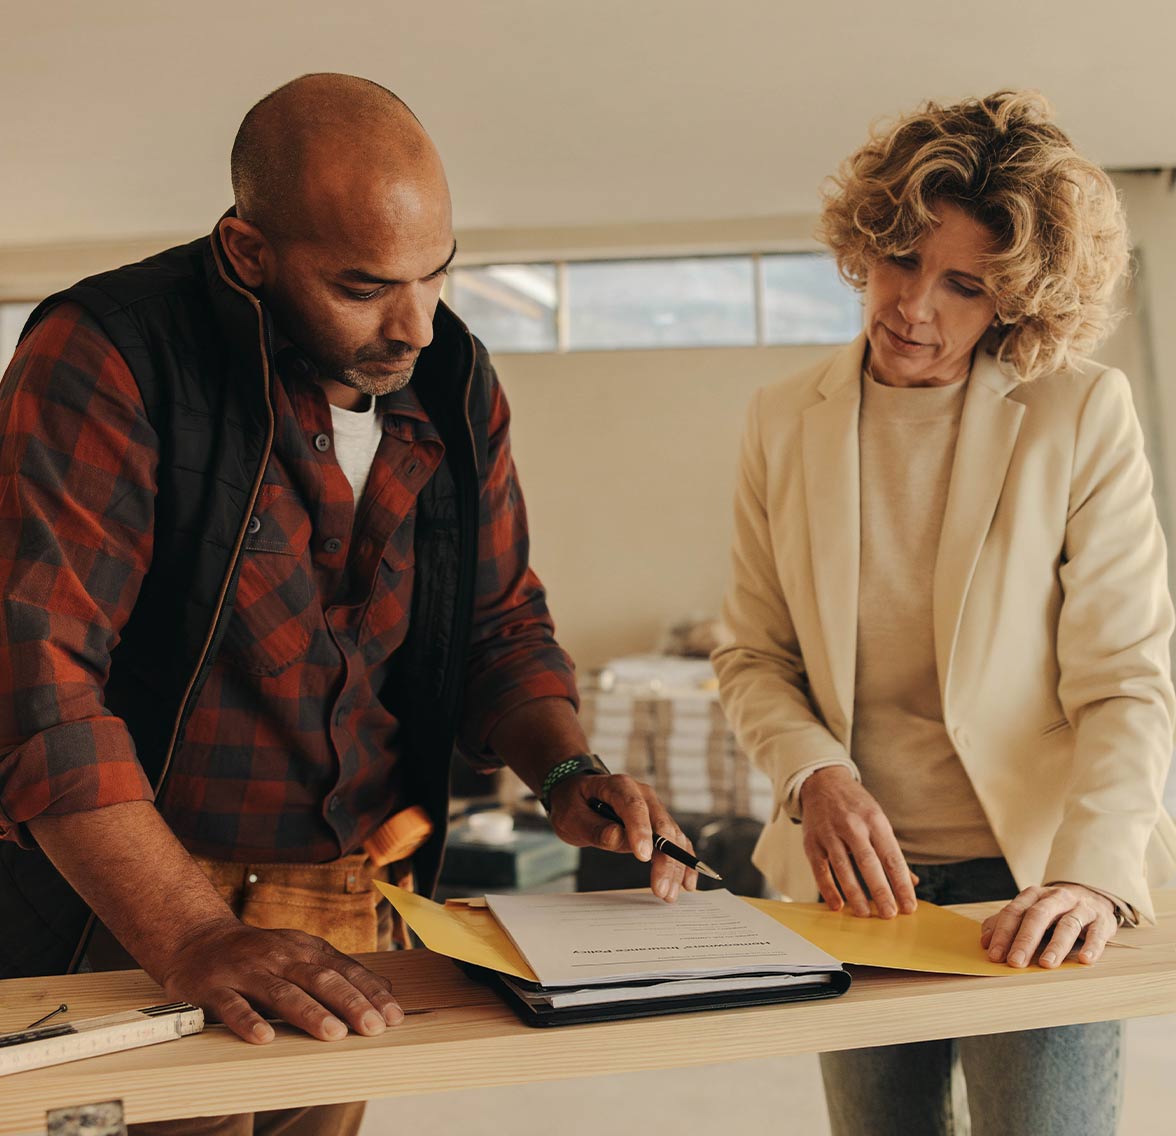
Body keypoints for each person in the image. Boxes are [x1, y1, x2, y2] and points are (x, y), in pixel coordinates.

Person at [0, 73, 695, 1135]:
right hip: (135, 902)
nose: (414, 325)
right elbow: (36, 681)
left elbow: (497, 626)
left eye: (436, 273)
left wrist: (565, 770)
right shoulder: (110, 354)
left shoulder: (453, 378)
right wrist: (192, 932)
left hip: (354, 898)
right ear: (248, 252)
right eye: (364, 286)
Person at [712, 90, 1176, 1135]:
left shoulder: (1081, 412)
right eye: (899, 259)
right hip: (852, 886)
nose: (911, 306)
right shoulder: (781, 418)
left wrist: (1090, 880)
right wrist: (815, 774)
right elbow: (752, 654)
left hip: (1032, 878)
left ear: (1015, 301)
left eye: (963, 284)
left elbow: (1123, 681)